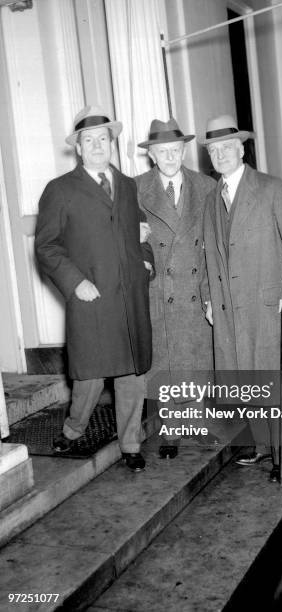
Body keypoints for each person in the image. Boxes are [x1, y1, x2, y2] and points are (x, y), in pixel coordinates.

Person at [201, 114, 282, 482]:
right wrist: (209, 297)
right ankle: (260, 446)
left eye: (227, 147)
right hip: (230, 308)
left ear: (242, 149)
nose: (221, 154)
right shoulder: (212, 200)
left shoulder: (270, 189)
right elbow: (209, 256)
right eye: (214, 149)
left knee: (276, 382)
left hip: (270, 305)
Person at [35, 105, 154, 472]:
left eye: (104, 139)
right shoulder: (60, 190)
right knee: (89, 374)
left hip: (129, 295)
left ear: (112, 144)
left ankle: (131, 444)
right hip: (91, 296)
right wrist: (75, 282)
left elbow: (141, 231)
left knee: (132, 374)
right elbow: (47, 246)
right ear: (79, 148)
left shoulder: (129, 185)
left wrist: (146, 261)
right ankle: (73, 431)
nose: (98, 145)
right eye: (90, 140)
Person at [135, 118, 218, 459]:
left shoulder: (208, 186)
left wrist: (213, 294)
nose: (169, 156)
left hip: (196, 286)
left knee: (196, 357)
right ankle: (171, 429)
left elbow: (216, 245)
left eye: (175, 150)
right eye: (162, 151)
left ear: (183, 150)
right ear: (152, 155)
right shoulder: (136, 189)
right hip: (159, 290)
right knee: (166, 359)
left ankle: (195, 423)